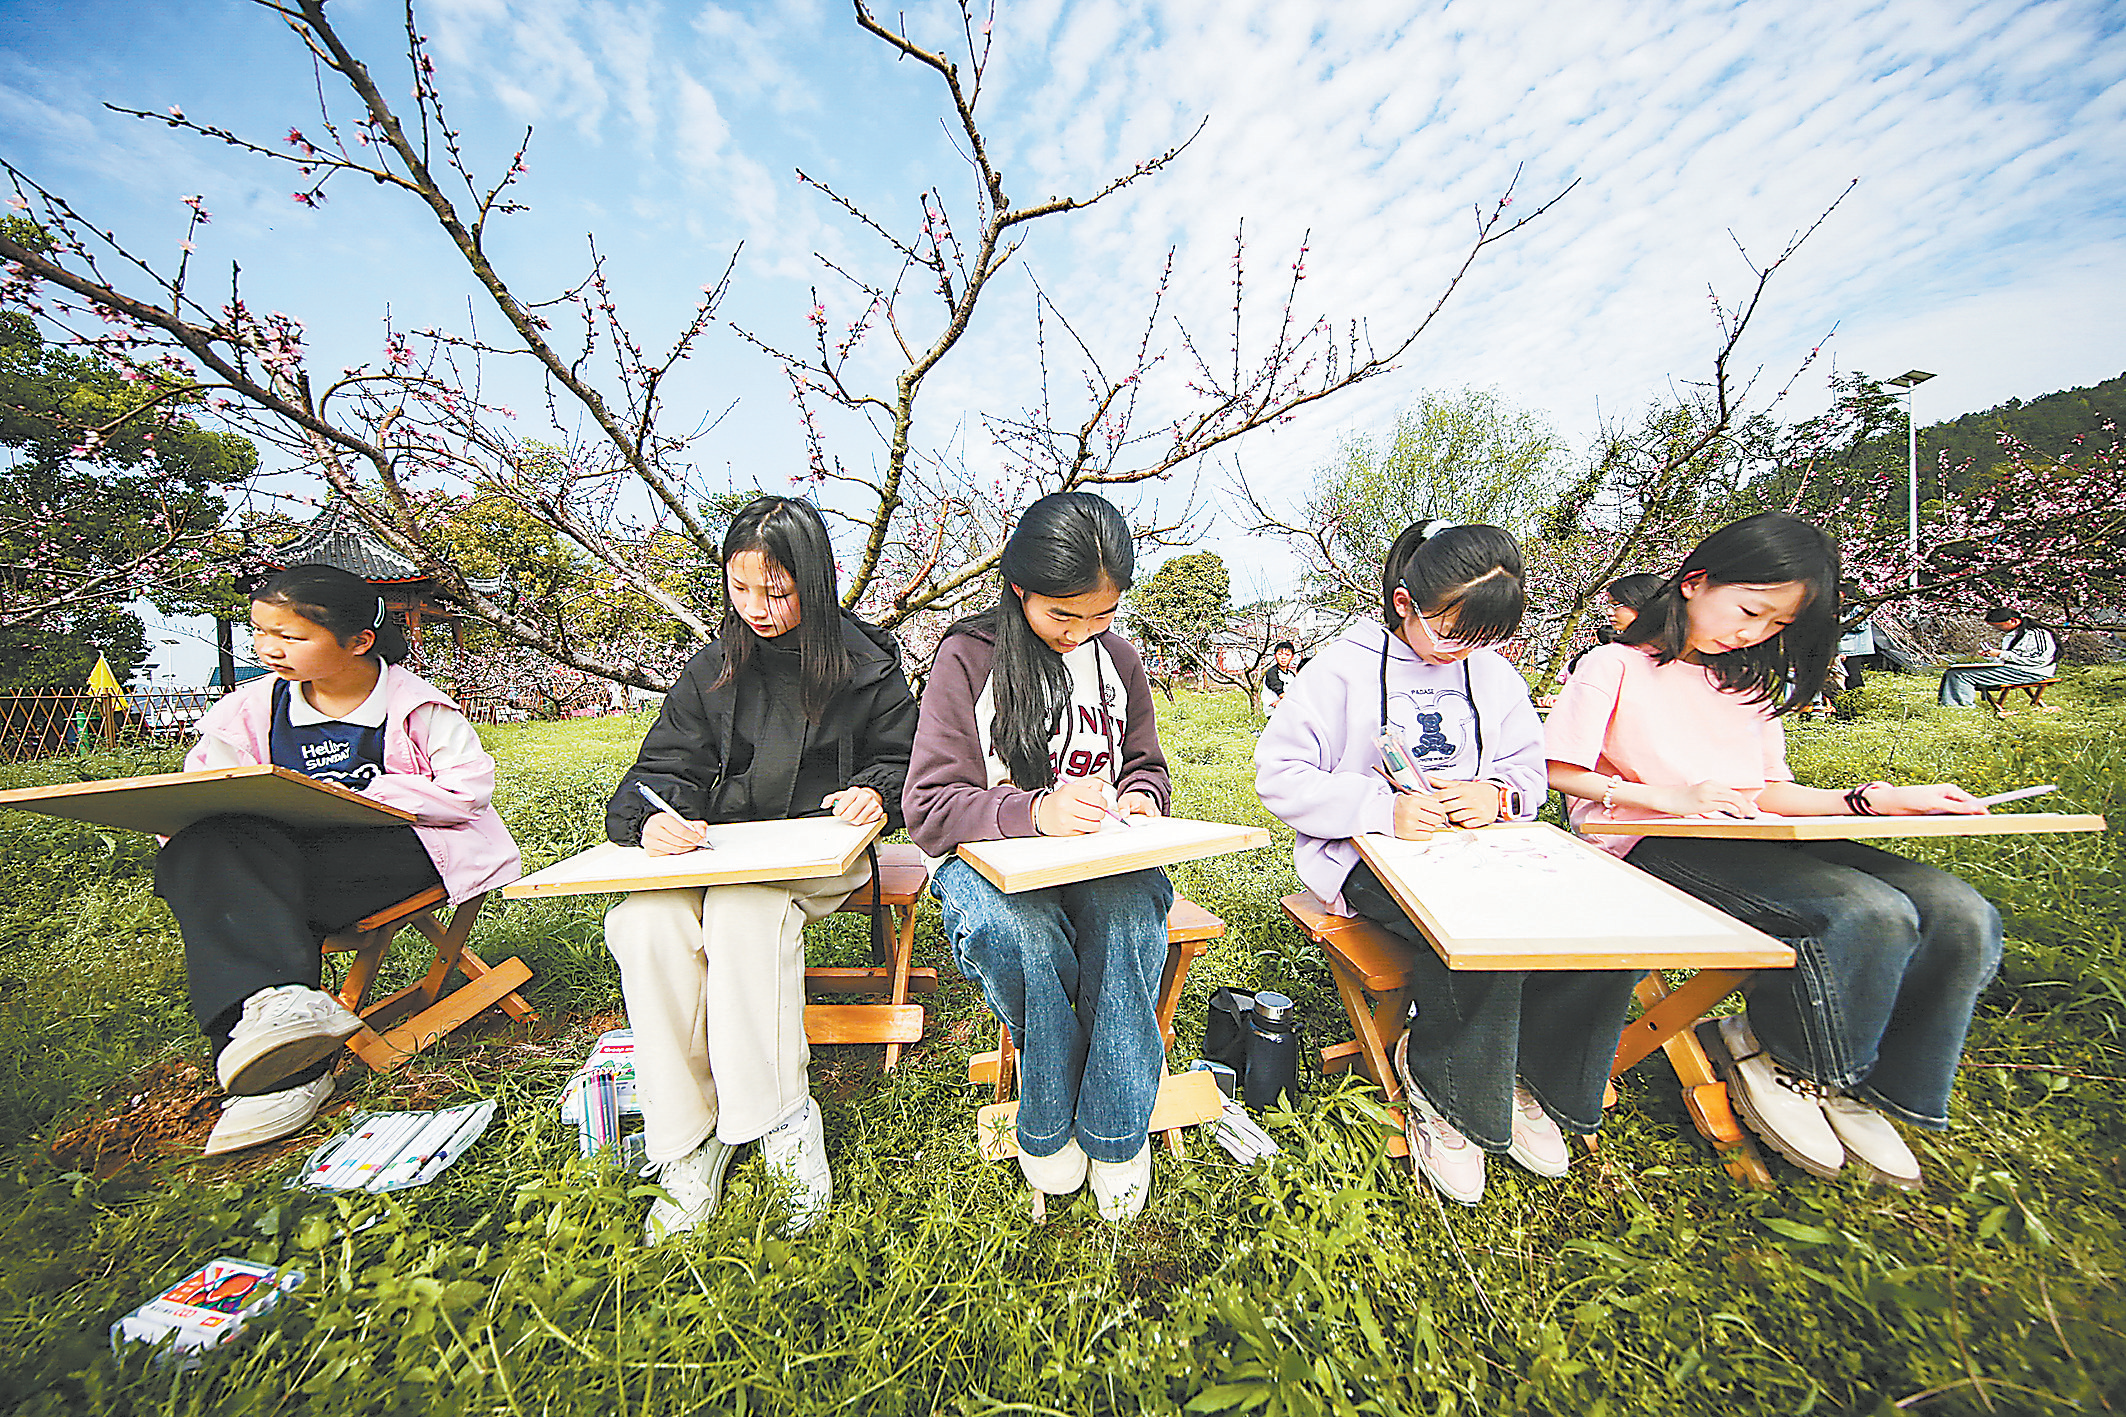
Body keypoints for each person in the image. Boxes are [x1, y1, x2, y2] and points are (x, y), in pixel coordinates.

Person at [1546, 513, 2002, 1188]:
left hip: (1746, 836)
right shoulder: (1614, 666)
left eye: (1774, 627)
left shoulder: (1744, 684)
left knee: (1960, 911)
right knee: (1866, 909)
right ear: (1696, 581)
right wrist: (1668, 796)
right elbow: (1556, 769)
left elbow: (1770, 792)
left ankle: (1869, 1086)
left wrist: (1874, 797)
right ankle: (1786, 1060)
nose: (1752, 634)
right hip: (1647, 842)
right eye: (1751, 610)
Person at [1255, 520, 1631, 1206]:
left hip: (1487, 846)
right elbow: (1278, 776)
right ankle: (1442, 1084)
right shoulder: (1339, 669)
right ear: (1404, 603)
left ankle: (1533, 1076)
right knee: (1475, 918)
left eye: (1483, 641)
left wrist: (1498, 794)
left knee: (1603, 911)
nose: (1465, 655)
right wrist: (1377, 806)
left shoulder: (1491, 671)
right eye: (1453, 635)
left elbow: (1530, 772)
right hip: (1369, 854)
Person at [602, 497, 917, 1241]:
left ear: (816, 580)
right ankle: (686, 1138)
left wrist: (877, 791)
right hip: (720, 853)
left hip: (818, 855)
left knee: (747, 915)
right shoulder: (715, 665)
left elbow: (909, 762)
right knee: (642, 923)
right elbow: (662, 766)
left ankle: (778, 1118)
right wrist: (654, 819)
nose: (759, 609)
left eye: (777, 591)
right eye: (742, 590)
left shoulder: (868, 664)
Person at [159, 564, 521, 1156]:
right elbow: (210, 785)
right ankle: (278, 1021)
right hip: (291, 866)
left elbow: (467, 789)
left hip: (398, 854)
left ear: (359, 641)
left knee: (252, 890)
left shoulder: (413, 706)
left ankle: (285, 1067)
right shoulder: (249, 709)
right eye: (260, 633)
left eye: (292, 637)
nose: (271, 649)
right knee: (204, 849)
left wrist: (357, 799)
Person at [904, 491, 1174, 1221]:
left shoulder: (1117, 660)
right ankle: (1050, 1116)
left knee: (1129, 916)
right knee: (1023, 933)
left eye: (1102, 615)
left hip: (1098, 859)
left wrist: (1144, 796)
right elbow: (928, 806)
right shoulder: (969, 657)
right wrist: (1033, 812)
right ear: (1020, 588)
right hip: (986, 864)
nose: (1081, 633)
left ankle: (1118, 1129)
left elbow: (1147, 764)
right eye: (1064, 615)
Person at [1537, 573, 1663, 707]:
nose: (1609, 611)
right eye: (1608, 605)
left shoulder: (1611, 657)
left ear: (1644, 603)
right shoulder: (1679, 653)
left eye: (1616, 605)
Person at [1938, 606, 2059, 708]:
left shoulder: (2038, 633)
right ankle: (1950, 706)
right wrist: (1992, 656)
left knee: (1961, 675)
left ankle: (1960, 708)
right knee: (1952, 672)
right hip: (2015, 669)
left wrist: (2001, 654)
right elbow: (2014, 656)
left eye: (1999, 626)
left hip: (2032, 671)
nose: (1997, 629)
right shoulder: (2012, 635)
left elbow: (2039, 657)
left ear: (2013, 621)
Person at [1262, 641, 1304, 714]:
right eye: (1280, 654)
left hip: (1288, 709)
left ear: (1292, 657)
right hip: (1274, 712)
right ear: (1275, 655)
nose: (1283, 657)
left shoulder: (1291, 674)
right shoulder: (1272, 673)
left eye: (1287, 655)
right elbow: (1281, 694)